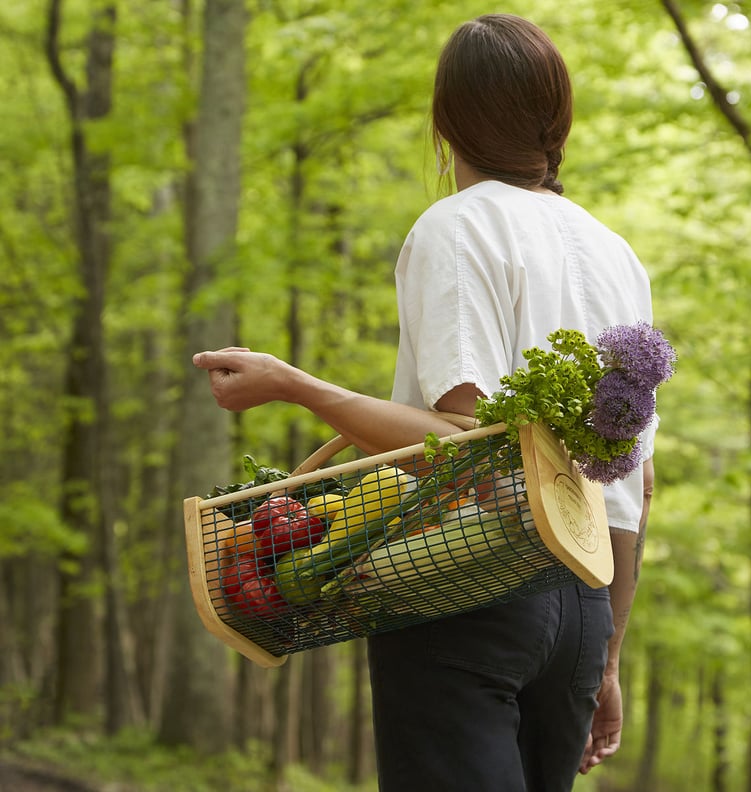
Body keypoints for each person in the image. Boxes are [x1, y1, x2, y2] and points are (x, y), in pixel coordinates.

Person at [193, 14, 656, 792]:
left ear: (445, 124)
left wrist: (295, 385)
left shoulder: (456, 227)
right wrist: (606, 655)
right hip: (583, 603)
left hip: (469, 584)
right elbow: (635, 483)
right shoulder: (617, 255)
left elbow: (467, 445)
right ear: (558, 120)